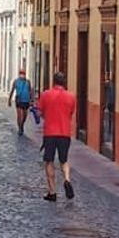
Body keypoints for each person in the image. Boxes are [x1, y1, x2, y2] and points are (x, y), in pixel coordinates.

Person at [37, 72, 76, 201]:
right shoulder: (71, 97)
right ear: (64, 82)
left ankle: (52, 192)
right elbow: (70, 113)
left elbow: (39, 113)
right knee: (64, 160)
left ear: (53, 81)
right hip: (65, 132)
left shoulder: (46, 95)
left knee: (49, 161)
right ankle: (67, 179)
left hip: (50, 133)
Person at [8, 69, 34, 136]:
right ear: (19, 74)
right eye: (21, 73)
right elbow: (12, 90)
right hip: (19, 100)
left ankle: (22, 125)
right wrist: (9, 100)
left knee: (25, 115)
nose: (22, 75)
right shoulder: (16, 81)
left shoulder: (28, 82)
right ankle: (20, 128)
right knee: (19, 116)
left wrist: (31, 100)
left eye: (23, 73)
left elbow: (30, 91)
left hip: (26, 100)